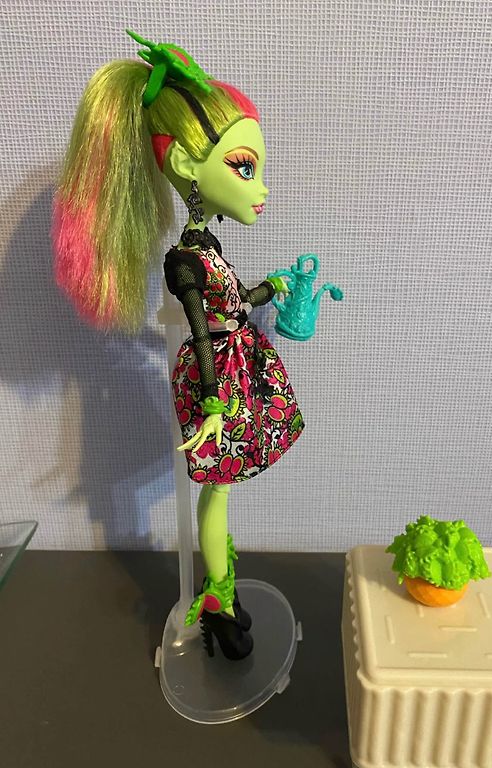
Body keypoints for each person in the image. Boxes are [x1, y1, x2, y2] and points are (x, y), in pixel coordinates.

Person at [53, 30, 304, 660]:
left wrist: (272, 288)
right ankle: (218, 596)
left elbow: (230, 304)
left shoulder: (206, 247)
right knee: (217, 489)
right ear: (191, 167)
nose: (261, 187)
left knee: (225, 487)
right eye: (244, 167)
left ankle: (222, 590)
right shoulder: (185, 261)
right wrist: (214, 404)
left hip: (237, 366)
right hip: (218, 376)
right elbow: (199, 330)